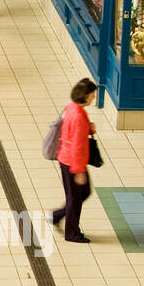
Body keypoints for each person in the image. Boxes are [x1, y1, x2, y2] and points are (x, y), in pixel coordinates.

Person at [53, 78, 98, 243]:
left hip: (67, 158)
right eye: (92, 95)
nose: (93, 98)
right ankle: (71, 232)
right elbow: (77, 146)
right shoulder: (78, 115)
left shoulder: (72, 108)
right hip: (72, 161)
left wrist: (88, 127)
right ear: (85, 96)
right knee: (75, 197)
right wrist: (79, 171)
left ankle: (57, 216)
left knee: (83, 192)